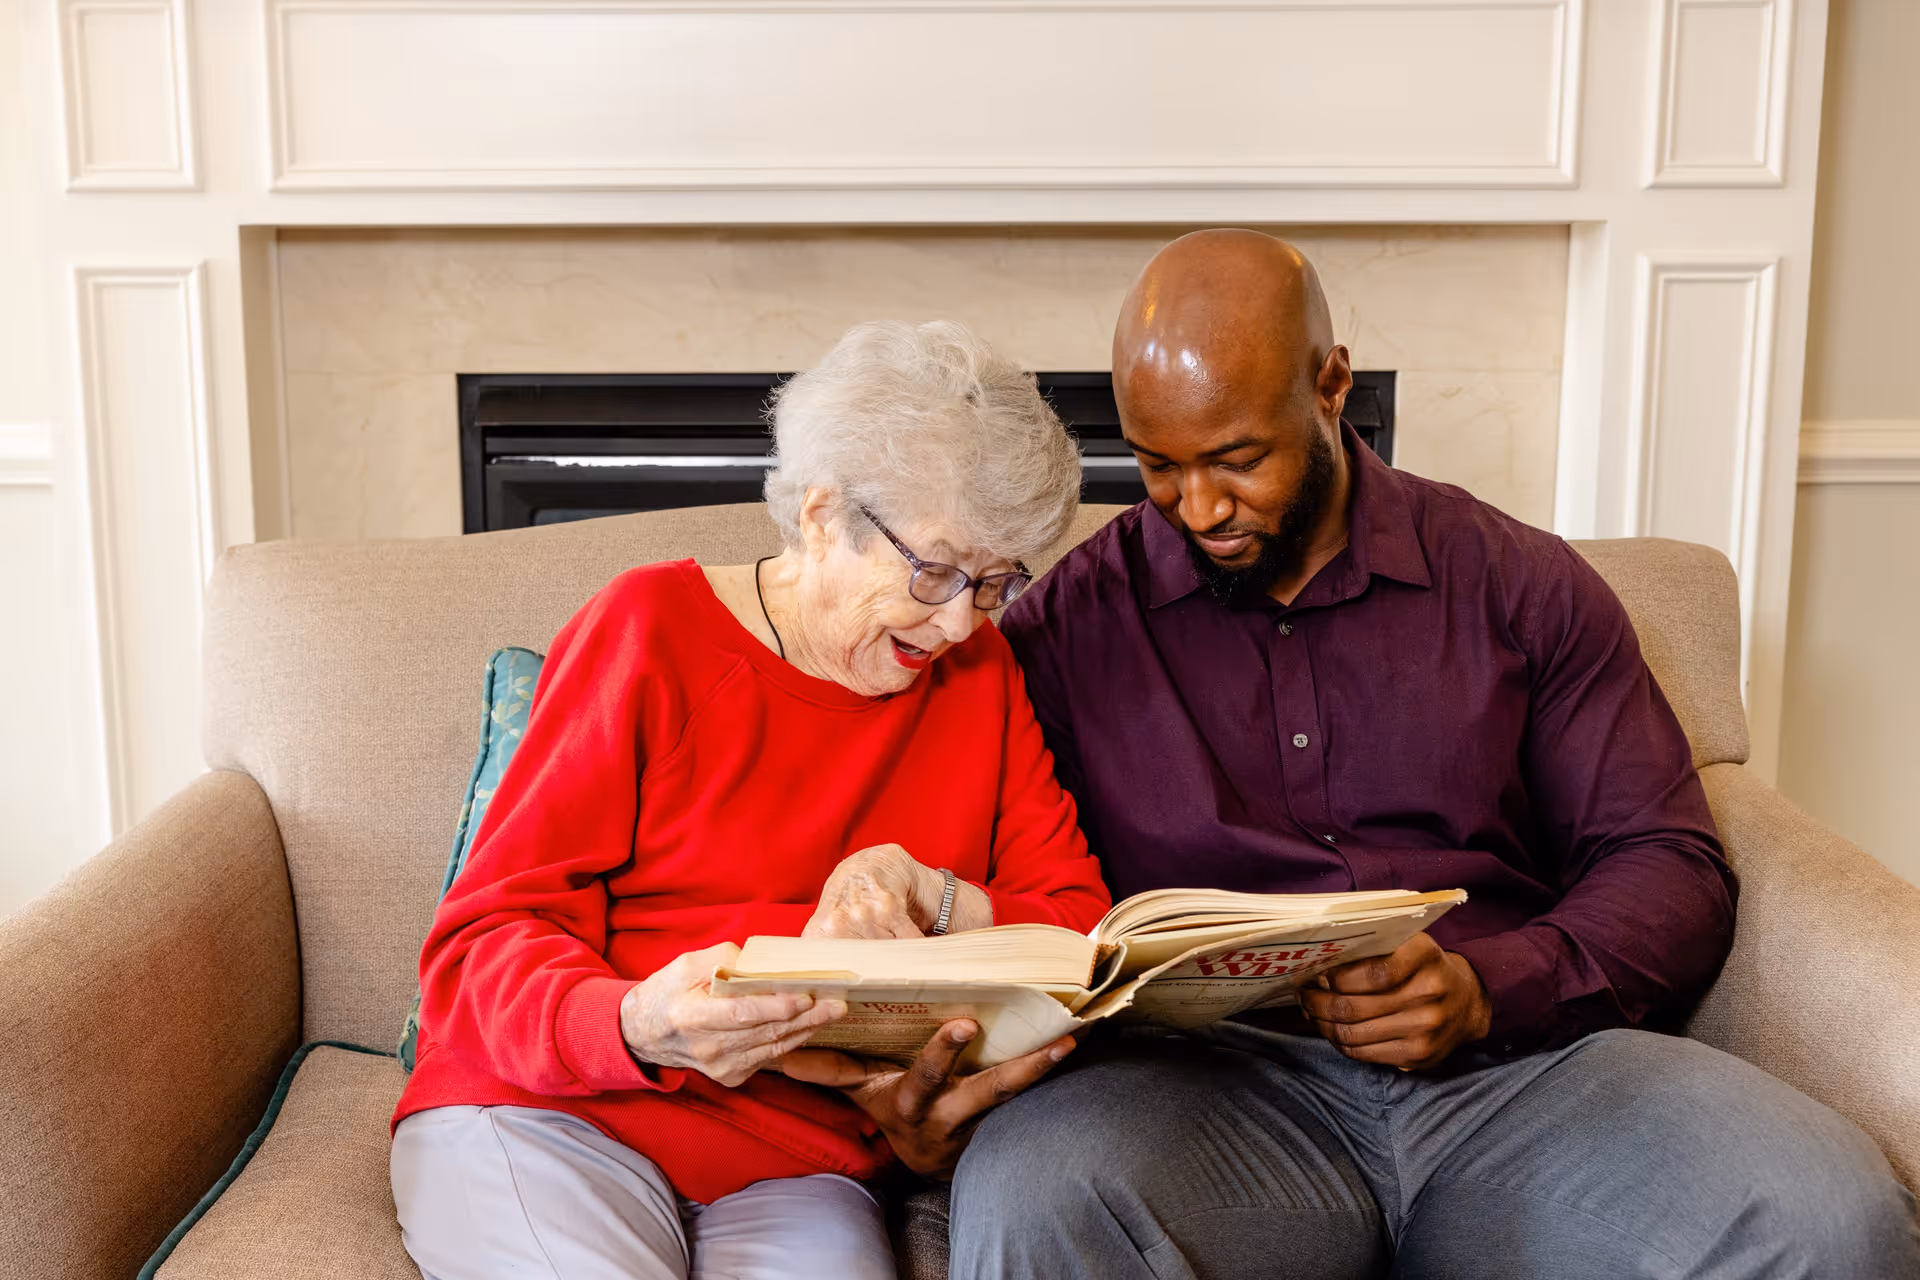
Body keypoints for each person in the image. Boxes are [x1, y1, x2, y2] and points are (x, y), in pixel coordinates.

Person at [949, 230, 1920, 1278]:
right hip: (1209, 1100)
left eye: (1238, 459)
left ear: (1331, 386)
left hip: (1521, 1076)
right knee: (1033, 1193)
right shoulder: (1068, 627)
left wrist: (1482, 986)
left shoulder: (1520, 586)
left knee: (1829, 1212)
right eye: (1159, 468)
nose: (1202, 508)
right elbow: (983, 884)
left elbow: (1669, 865)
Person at [388, 320, 1111, 1280]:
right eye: (934, 571)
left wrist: (926, 888)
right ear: (821, 515)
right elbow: (482, 941)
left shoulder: (981, 676)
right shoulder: (648, 632)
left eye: (993, 583)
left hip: (792, 1163)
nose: (955, 622)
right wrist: (636, 1023)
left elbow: (1082, 934)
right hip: (556, 1107)